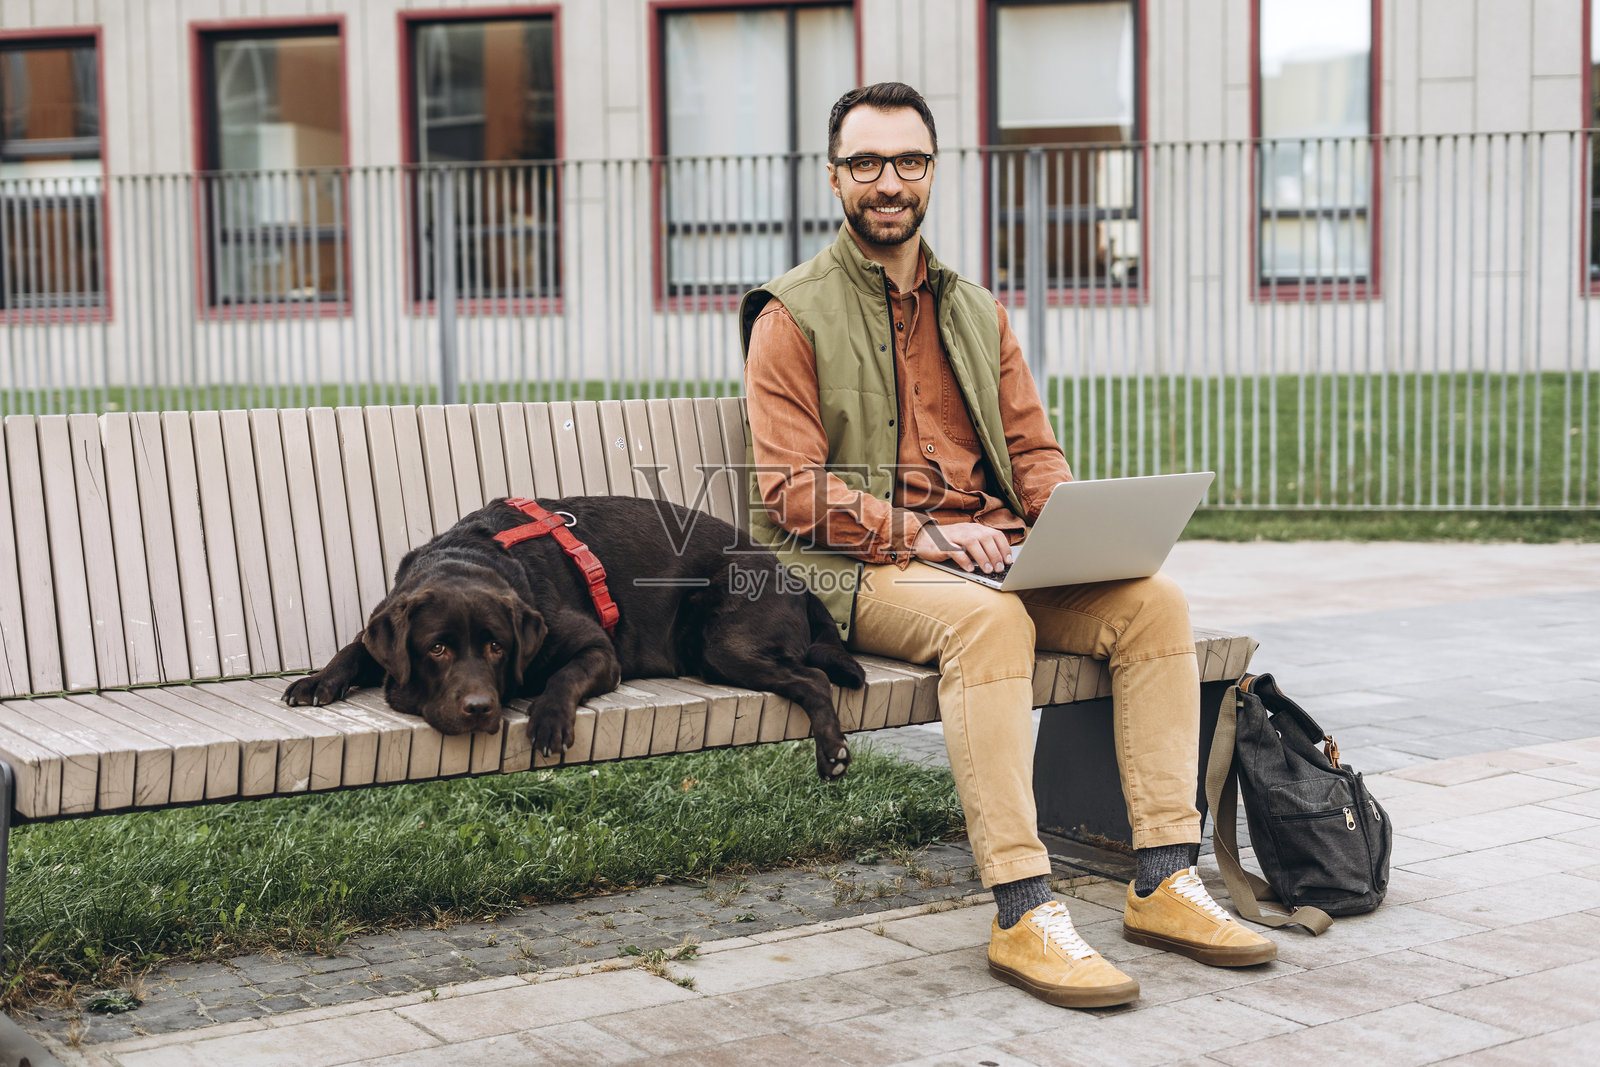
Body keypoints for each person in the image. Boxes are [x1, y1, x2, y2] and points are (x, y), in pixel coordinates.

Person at [739, 82, 1275, 1009]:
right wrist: (928, 534)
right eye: (866, 163)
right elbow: (790, 489)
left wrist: (1070, 524)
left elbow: (1030, 450)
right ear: (836, 179)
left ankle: (1163, 879)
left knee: (1156, 604)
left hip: (991, 556)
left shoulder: (976, 310)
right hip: (863, 567)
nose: (889, 182)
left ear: (932, 172)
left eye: (908, 161)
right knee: (989, 629)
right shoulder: (789, 315)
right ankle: (1024, 906)